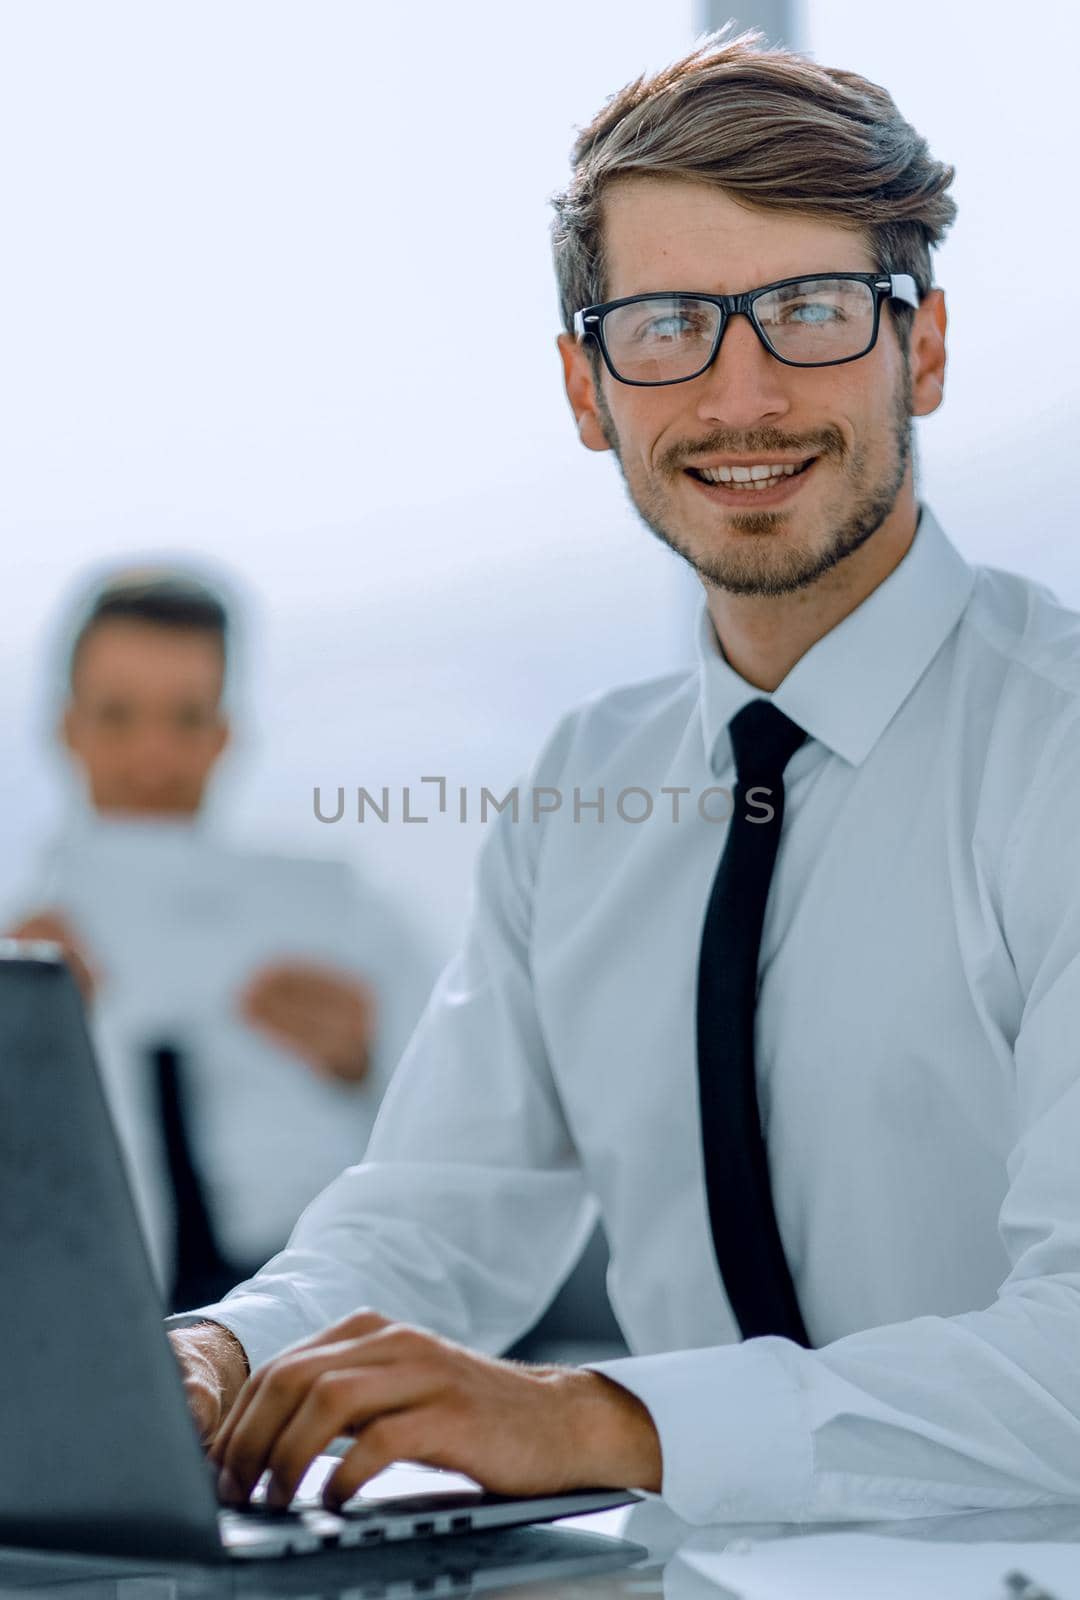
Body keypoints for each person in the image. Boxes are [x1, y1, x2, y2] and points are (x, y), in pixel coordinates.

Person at [168, 27, 1080, 1523]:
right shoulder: (584, 793)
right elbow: (435, 1218)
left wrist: (597, 1419)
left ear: (921, 345)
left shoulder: (1058, 755)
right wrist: (216, 1351)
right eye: (667, 326)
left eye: (809, 309)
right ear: (591, 392)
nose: (742, 398)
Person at [8, 567, 436, 1307]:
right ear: (67, 729)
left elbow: (482, 1121)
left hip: (322, 1308)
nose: (152, 757)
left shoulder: (348, 921)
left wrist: (377, 1059)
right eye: (118, 715)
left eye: (185, 719)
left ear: (225, 735)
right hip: (85, 1311)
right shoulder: (19, 954)